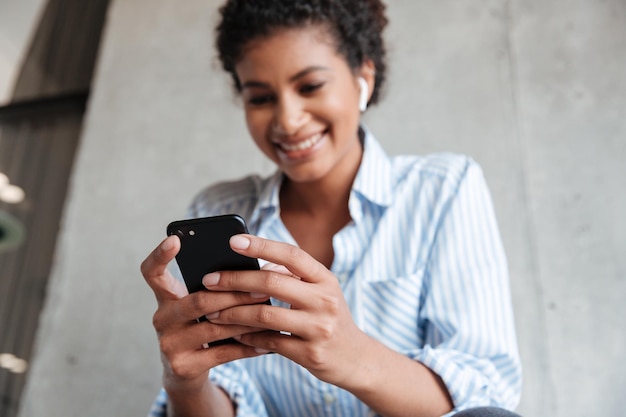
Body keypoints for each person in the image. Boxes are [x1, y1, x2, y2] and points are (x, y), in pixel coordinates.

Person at [140, 1, 523, 416]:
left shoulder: (443, 189)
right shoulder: (219, 209)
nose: (287, 120)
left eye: (310, 87)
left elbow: (486, 398)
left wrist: (352, 356)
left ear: (364, 78)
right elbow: (230, 395)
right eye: (262, 97)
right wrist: (185, 384)